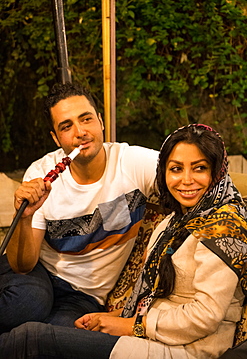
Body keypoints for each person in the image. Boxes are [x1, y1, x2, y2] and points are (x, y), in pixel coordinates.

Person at [1, 123, 246, 359]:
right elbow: (159, 295)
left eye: (200, 168)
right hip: (152, 332)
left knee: (29, 339)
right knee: (30, 320)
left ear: (218, 171)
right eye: (176, 169)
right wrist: (113, 316)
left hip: (187, 348)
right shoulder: (176, 221)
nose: (186, 179)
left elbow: (204, 317)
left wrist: (130, 325)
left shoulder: (223, 226)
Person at [0, 82, 159, 333]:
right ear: (55, 137)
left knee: (50, 337)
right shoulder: (41, 173)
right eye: (66, 126)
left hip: (85, 296)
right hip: (39, 273)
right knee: (28, 304)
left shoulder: (134, 163)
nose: (80, 132)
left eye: (86, 119)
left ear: (100, 122)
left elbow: (184, 170)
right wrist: (24, 218)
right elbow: (23, 265)